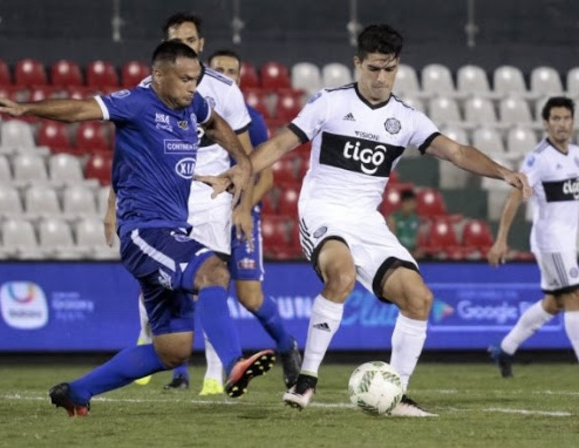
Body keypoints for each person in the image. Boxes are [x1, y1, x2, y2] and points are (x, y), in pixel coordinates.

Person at [200, 24, 531, 417]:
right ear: (358, 64)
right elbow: (279, 144)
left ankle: (397, 393)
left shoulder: (406, 119)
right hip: (322, 210)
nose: (380, 78)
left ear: (397, 68)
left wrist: (503, 172)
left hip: (367, 221)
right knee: (340, 275)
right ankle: (306, 380)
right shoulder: (330, 103)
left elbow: (457, 152)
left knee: (419, 298)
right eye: (373, 68)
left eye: (388, 70)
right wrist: (239, 171)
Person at [0, 41, 275, 417]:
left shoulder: (192, 106)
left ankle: (77, 392)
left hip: (173, 233)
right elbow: (79, 110)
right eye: (185, 79)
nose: (192, 87)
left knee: (173, 349)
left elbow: (217, 123)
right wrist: (27, 108)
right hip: (144, 232)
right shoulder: (136, 103)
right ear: (158, 75)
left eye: (196, 80)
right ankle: (235, 364)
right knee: (214, 271)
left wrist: (242, 162)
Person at [118, 13, 301, 395]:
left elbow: (254, 166)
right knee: (172, 284)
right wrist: (112, 204)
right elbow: (128, 156)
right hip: (166, 199)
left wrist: (242, 207)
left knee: (228, 288)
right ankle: (172, 361)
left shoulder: (241, 110)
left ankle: (249, 361)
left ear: (199, 45)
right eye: (176, 39)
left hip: (221, 202)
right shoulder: (147, 95)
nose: (226, 74)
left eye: (232, 69)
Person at [487, 96, 579, 377]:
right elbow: (516, 197)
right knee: (575, 296)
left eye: (566, 118)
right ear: (545, 123)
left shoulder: (575, 154)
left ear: (572, 122)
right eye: (556, 119)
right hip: (551, 240)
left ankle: (505, 348)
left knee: (554, 304)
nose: (562, 124)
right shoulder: (538, 158)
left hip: (567, 241)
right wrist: (501, 239)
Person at [386, 189, 424, 259]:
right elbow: (392, 242)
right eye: (411, 204)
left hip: (412, 255)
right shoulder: (393, 219)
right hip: (398, 255)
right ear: (404, 203)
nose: (413, 206)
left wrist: (416, 251)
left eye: (414, 204)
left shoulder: (416, 219)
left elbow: (416, 242)